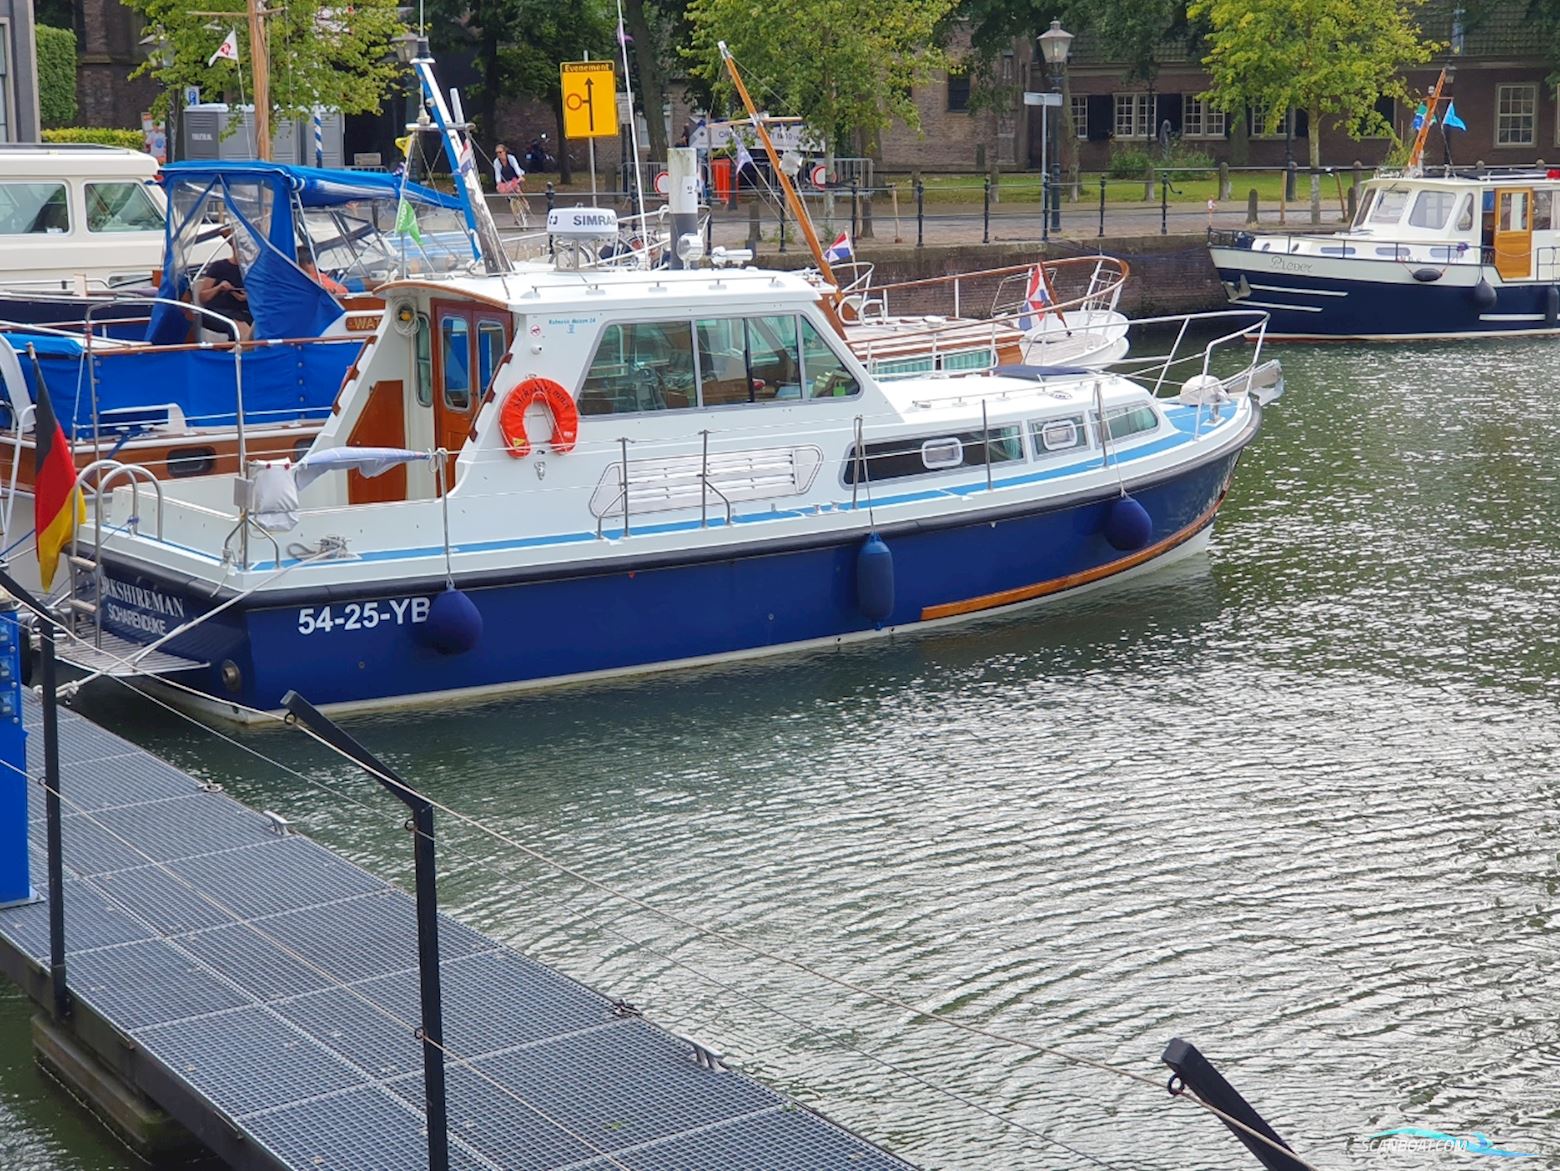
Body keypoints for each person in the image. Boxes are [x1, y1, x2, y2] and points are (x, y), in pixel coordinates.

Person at [196, 235, 251, 340]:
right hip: (217, 311)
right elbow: (202, 297)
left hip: (243, 311)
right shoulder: (219, 266)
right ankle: (240, 350)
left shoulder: (250, 270)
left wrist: (247, 297)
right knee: (237, 324)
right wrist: (219, 288)